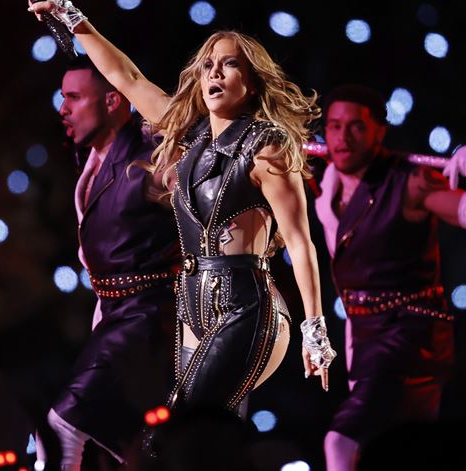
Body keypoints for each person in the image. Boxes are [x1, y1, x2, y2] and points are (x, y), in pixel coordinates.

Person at [28, 0, 336, 465]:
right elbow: (127, 79)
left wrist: (315, 329)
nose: (214, 73)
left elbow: (299, 241)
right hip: (191, 308)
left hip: (244, 306)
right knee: (199, 449)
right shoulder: (187, 136)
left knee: (172, 440)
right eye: (208, 65)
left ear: (250, 81)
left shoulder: (267, 145)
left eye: (229, 65)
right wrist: (76, 20)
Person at [34, 57, 181, 469]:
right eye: (63, 98)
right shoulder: (92, 160)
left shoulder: (150, 156)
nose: (62, 109)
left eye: (74, 97)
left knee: (60, 426)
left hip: (148, 319)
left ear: (114, 101)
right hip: (118, 317)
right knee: (134, 451)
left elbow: (191, 186)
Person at [314, 84, 466, 471]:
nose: (342, 138)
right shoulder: (326, 184)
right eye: (334, 127)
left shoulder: (409, 182)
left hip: (409, 335)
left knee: (340, 441)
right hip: (364, 337)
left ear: (380, 131)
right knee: (399, 451)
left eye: (355, 127)